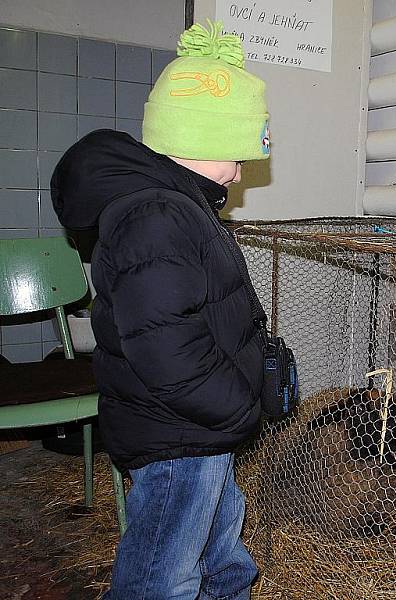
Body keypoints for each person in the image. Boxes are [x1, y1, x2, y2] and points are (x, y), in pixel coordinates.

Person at [51, 20, 271, 599]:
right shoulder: (157, 217)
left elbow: (204, 314)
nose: (241, 172)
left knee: (221, 554)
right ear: (203, 143)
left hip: (196, 429)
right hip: (179, 434)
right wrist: (240, 407)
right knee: (163, 576)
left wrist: (257, 361)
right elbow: (168, 347)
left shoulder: (176, 208)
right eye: (237, 155)